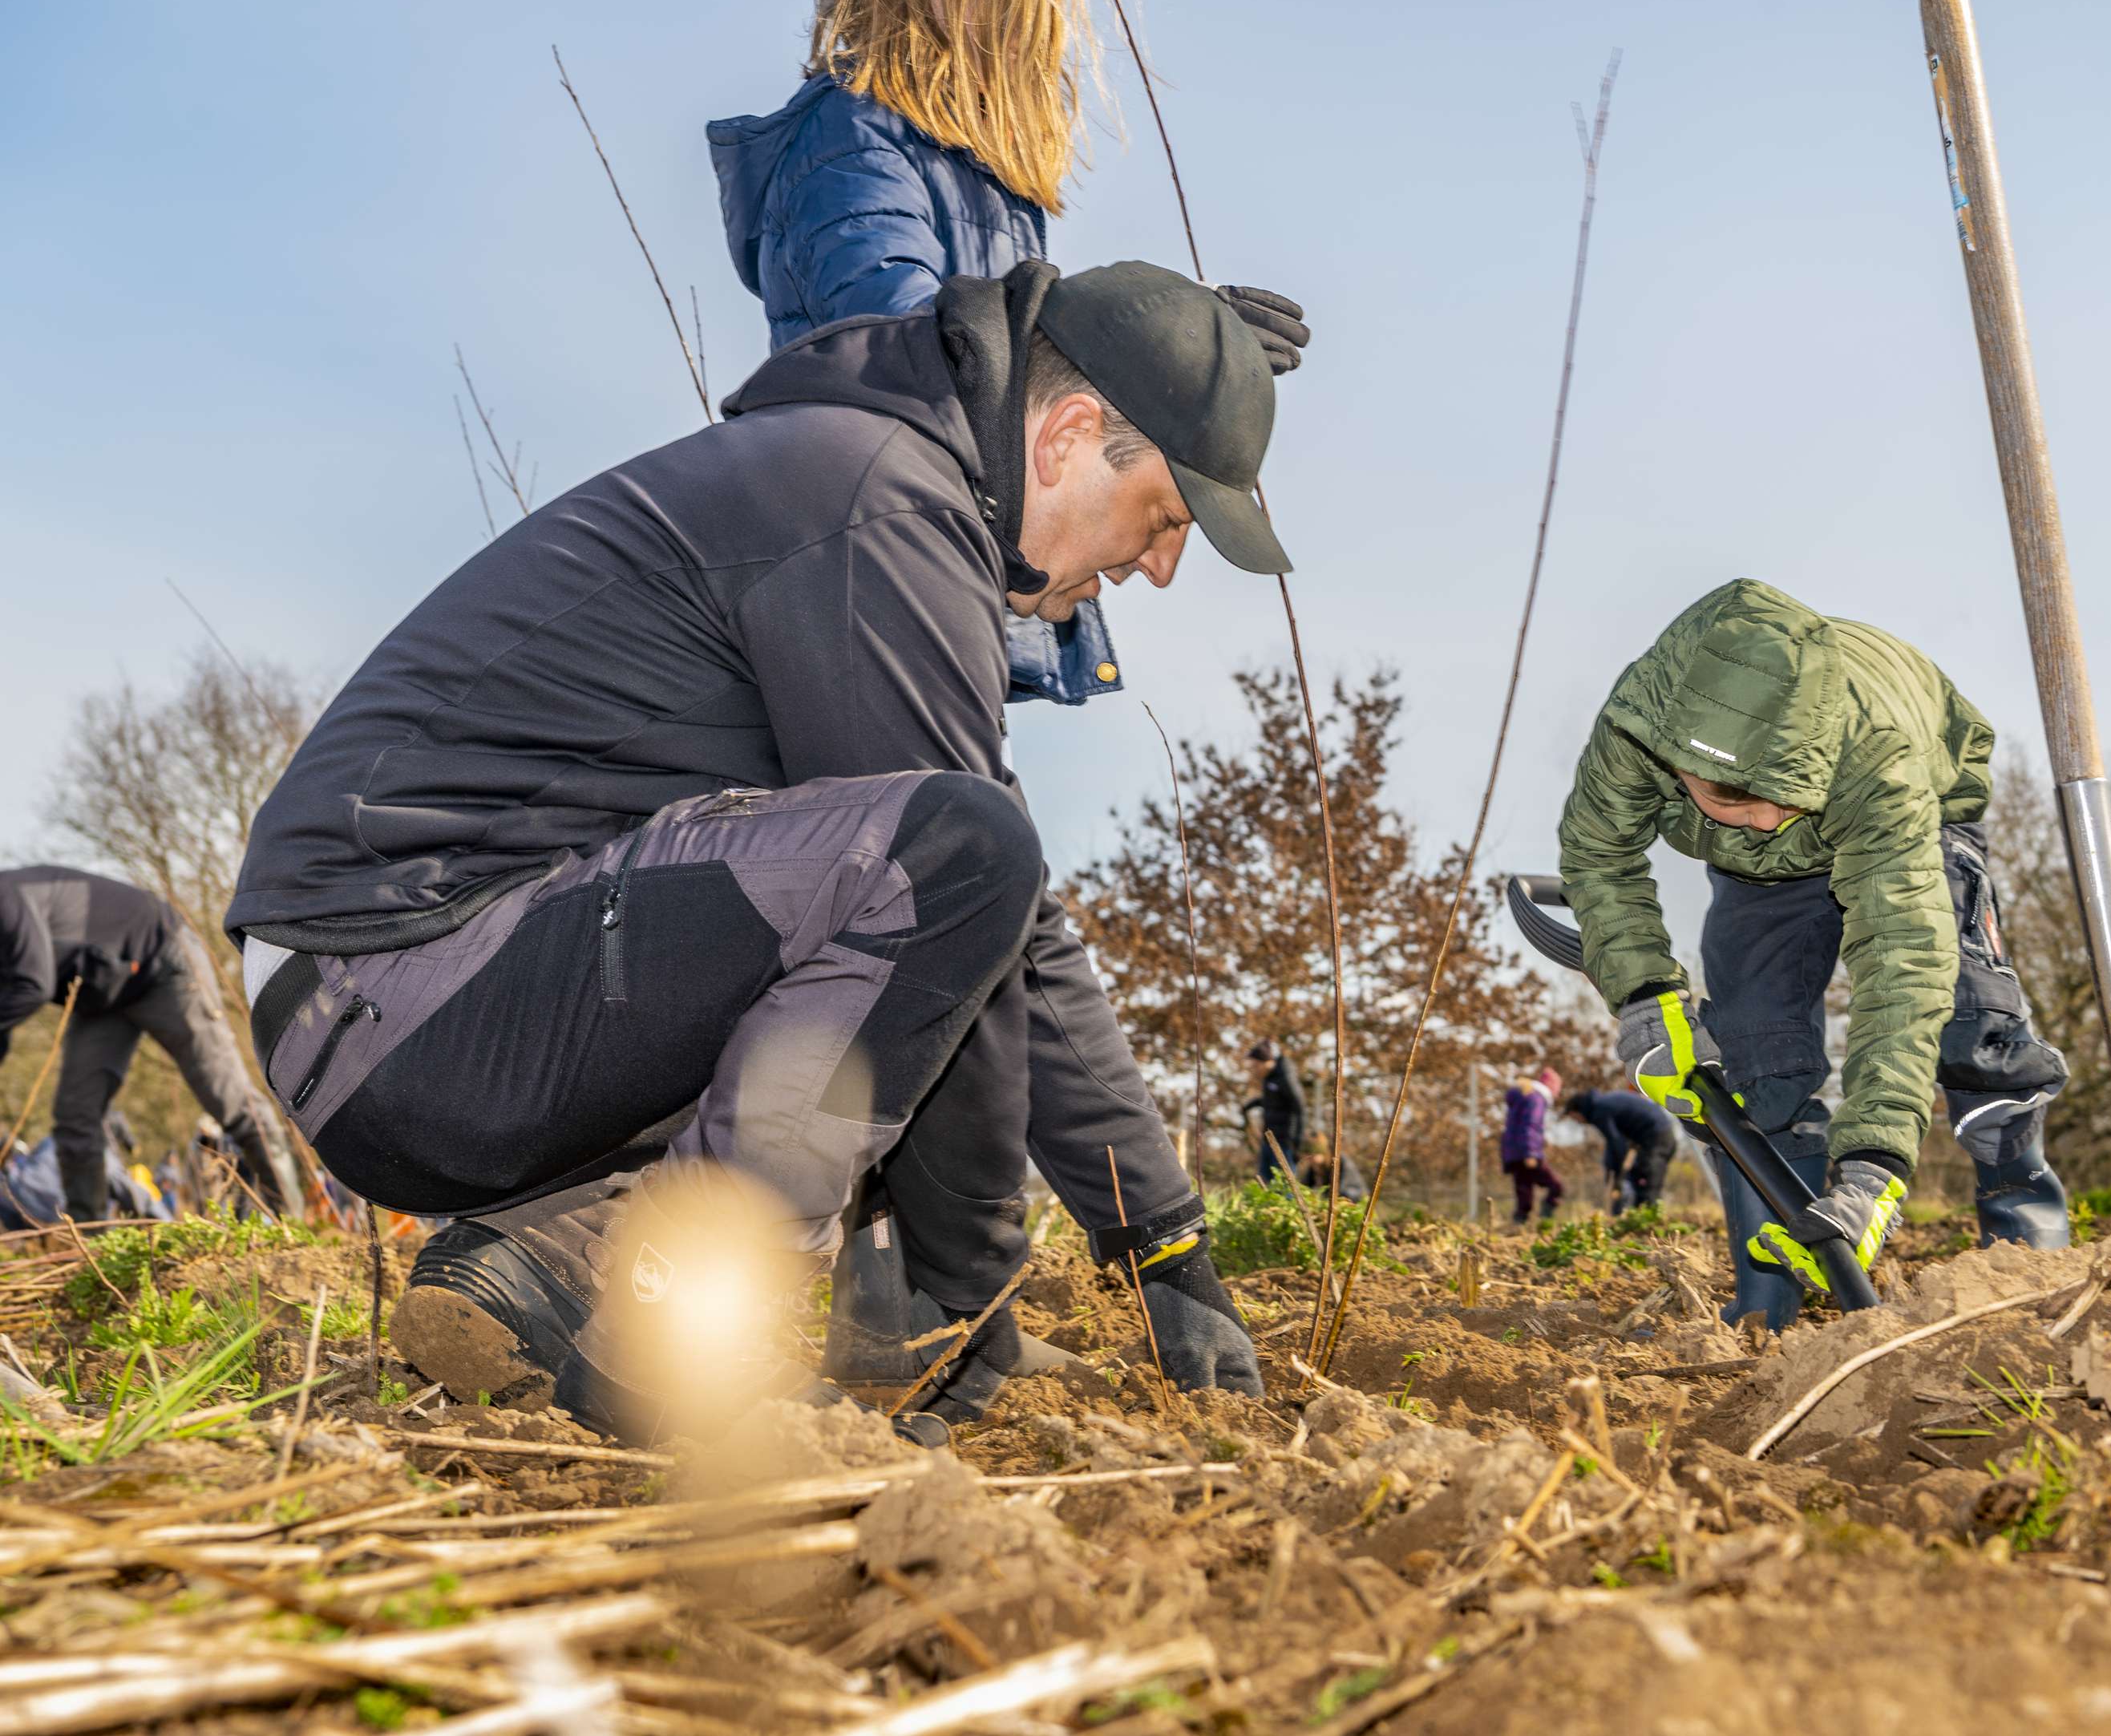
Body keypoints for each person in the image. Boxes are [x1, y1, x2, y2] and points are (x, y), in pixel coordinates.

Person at [228, 258, 1300, 1442]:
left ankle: (538, 1261)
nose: (1159, 565)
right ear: (1068, 434)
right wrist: (968, 1297)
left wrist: (1164, 1241)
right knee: (954, 851)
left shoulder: (869, 486)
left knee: (908, 887)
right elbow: (974, 902)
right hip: (401, 990)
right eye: (1164, 517)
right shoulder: (882, 506)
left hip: (406, 999)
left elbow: (977, 943)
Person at [707, 0, 1307, 710]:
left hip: (951, 575)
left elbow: (1028, 363)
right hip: (869, 569)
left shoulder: (990, 183)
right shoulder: (850, 142)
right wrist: (1160, 330)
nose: (1050, 16)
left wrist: (1181, 341)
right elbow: (919, 345)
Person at [1557, 580, 2072, 1331]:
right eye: (1736, 799)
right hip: (1757, 875)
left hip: (1906, 816)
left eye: (1780, 794)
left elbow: (1903, 960)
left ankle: (2028, 1246)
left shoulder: (1874, 757)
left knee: (1972, 1028)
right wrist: (1643, 998)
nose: (1766, 819)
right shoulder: (1637, 729)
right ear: (1673, 762)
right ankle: (1768, 1301)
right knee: (1755, 1054)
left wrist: (1874, 1167)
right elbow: (1598, 855)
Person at [0, 866, 302, 1221]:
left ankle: (288, 1218)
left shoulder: (8, 898)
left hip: (164, 961)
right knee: (75, 1117)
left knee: (226, 1097)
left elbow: (33, 984)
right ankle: (94, 1245)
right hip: (103, 997)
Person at [1564, 1084, 1676, 1215]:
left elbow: (1616, 1144)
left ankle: (1649, 1222)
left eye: (1574, 1117)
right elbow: (1616, 1143)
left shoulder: (1600, 1111)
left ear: (1579, 1110)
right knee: (1641, 1177)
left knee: (1647, 1183)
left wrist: (1617, 1176)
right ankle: (1644, 1218)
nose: (1577, 1122)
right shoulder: (1604, 1103)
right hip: (1661, 1134)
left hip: (1657, 1136)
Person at [1498, 1067, 1563, 1225]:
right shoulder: (1537, 1099)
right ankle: (1545, 1218)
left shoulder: (1526, 1096)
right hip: (1526, 1152)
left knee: (1524, 1190)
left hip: (1514, 1151)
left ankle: (1519, 1224)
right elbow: (1530, 1125)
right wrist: (1531, 1152)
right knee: (1556, 1187)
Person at [1240, 1040, 1305, 1185]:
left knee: (1284, 1184)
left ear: (1267, 1061)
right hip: (1269, 1139)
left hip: (1284, 1141)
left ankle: (1287, 1207)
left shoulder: (1285, 1077)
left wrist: (1296, 1143)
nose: (1255, 1070)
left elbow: (1299, 1107)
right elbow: (1274, 1102)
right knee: (1264, 1181)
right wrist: (1251, 1105)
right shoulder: (1269, 1078)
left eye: (1256, 1066)